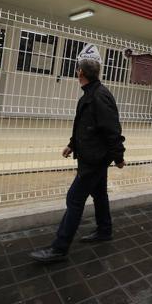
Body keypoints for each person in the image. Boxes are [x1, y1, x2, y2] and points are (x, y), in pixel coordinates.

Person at [30, 44, 126, 263]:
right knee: (99, 194)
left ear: (80, 72)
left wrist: (119, 157)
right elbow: (85, 126)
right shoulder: (90, 95)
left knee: (74, 199)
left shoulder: (99, 96)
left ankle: (59, 248)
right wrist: (72, 144)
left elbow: (112, 130)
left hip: (94, 159)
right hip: (92, 156)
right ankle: (104, 230)